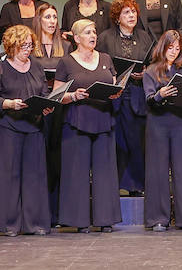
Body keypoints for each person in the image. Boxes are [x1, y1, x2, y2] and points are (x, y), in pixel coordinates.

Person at [53, 19, 122, 232]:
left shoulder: (105, 58)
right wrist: (73, 96)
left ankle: (105, 219)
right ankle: (78, 220)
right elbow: (57, 96)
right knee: (77, 172)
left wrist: (117, 91)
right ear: (76, 38)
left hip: (102, 118)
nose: (93, 35)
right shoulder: (66, 62)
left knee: (105, 171)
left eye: (94, 32)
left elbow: (114, 82)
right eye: (87, 32)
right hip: (77, 120)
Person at [0, 24, 53, 236]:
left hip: (33, 126)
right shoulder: (1, 68)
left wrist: (48, 105)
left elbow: (44, 92)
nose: (27, 49)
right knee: (10, 175)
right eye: (23, 45)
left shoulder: (36, 66)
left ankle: (35, 223)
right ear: (11, 46)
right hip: (9, 127)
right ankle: (9, 224)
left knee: (34, 176)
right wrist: (9, 104)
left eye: (30, 45)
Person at [142, 30, 182, 231]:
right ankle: (158, 218)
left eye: (177, 48)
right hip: (157, 122)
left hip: (180, 122)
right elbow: (149, 99)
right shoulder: (150, 71)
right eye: (170, 47)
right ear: (162, 47)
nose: (174, 52)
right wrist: (160, 94)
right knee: (157, 170)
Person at [98, 0, 154, 196]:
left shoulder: (144, 36)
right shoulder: (105, 37)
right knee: (117, 142)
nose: (131, 15)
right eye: (126, 12)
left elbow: (152, 64)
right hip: (116, 96)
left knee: (137, 142)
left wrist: (145, 72)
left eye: (133, 12)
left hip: (137, 93)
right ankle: (116, 185)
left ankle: (136, 185)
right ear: (117, 17)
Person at [29, 2, 69, 220]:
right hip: (38, 105)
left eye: (55, 17)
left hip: (59, 107)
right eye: (48, 17)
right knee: (39, 156)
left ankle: (56, 212)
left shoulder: (65, 46)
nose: (52, 22)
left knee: (56, 157)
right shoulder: (30, 46)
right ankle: (39, 211)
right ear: (39, 20)